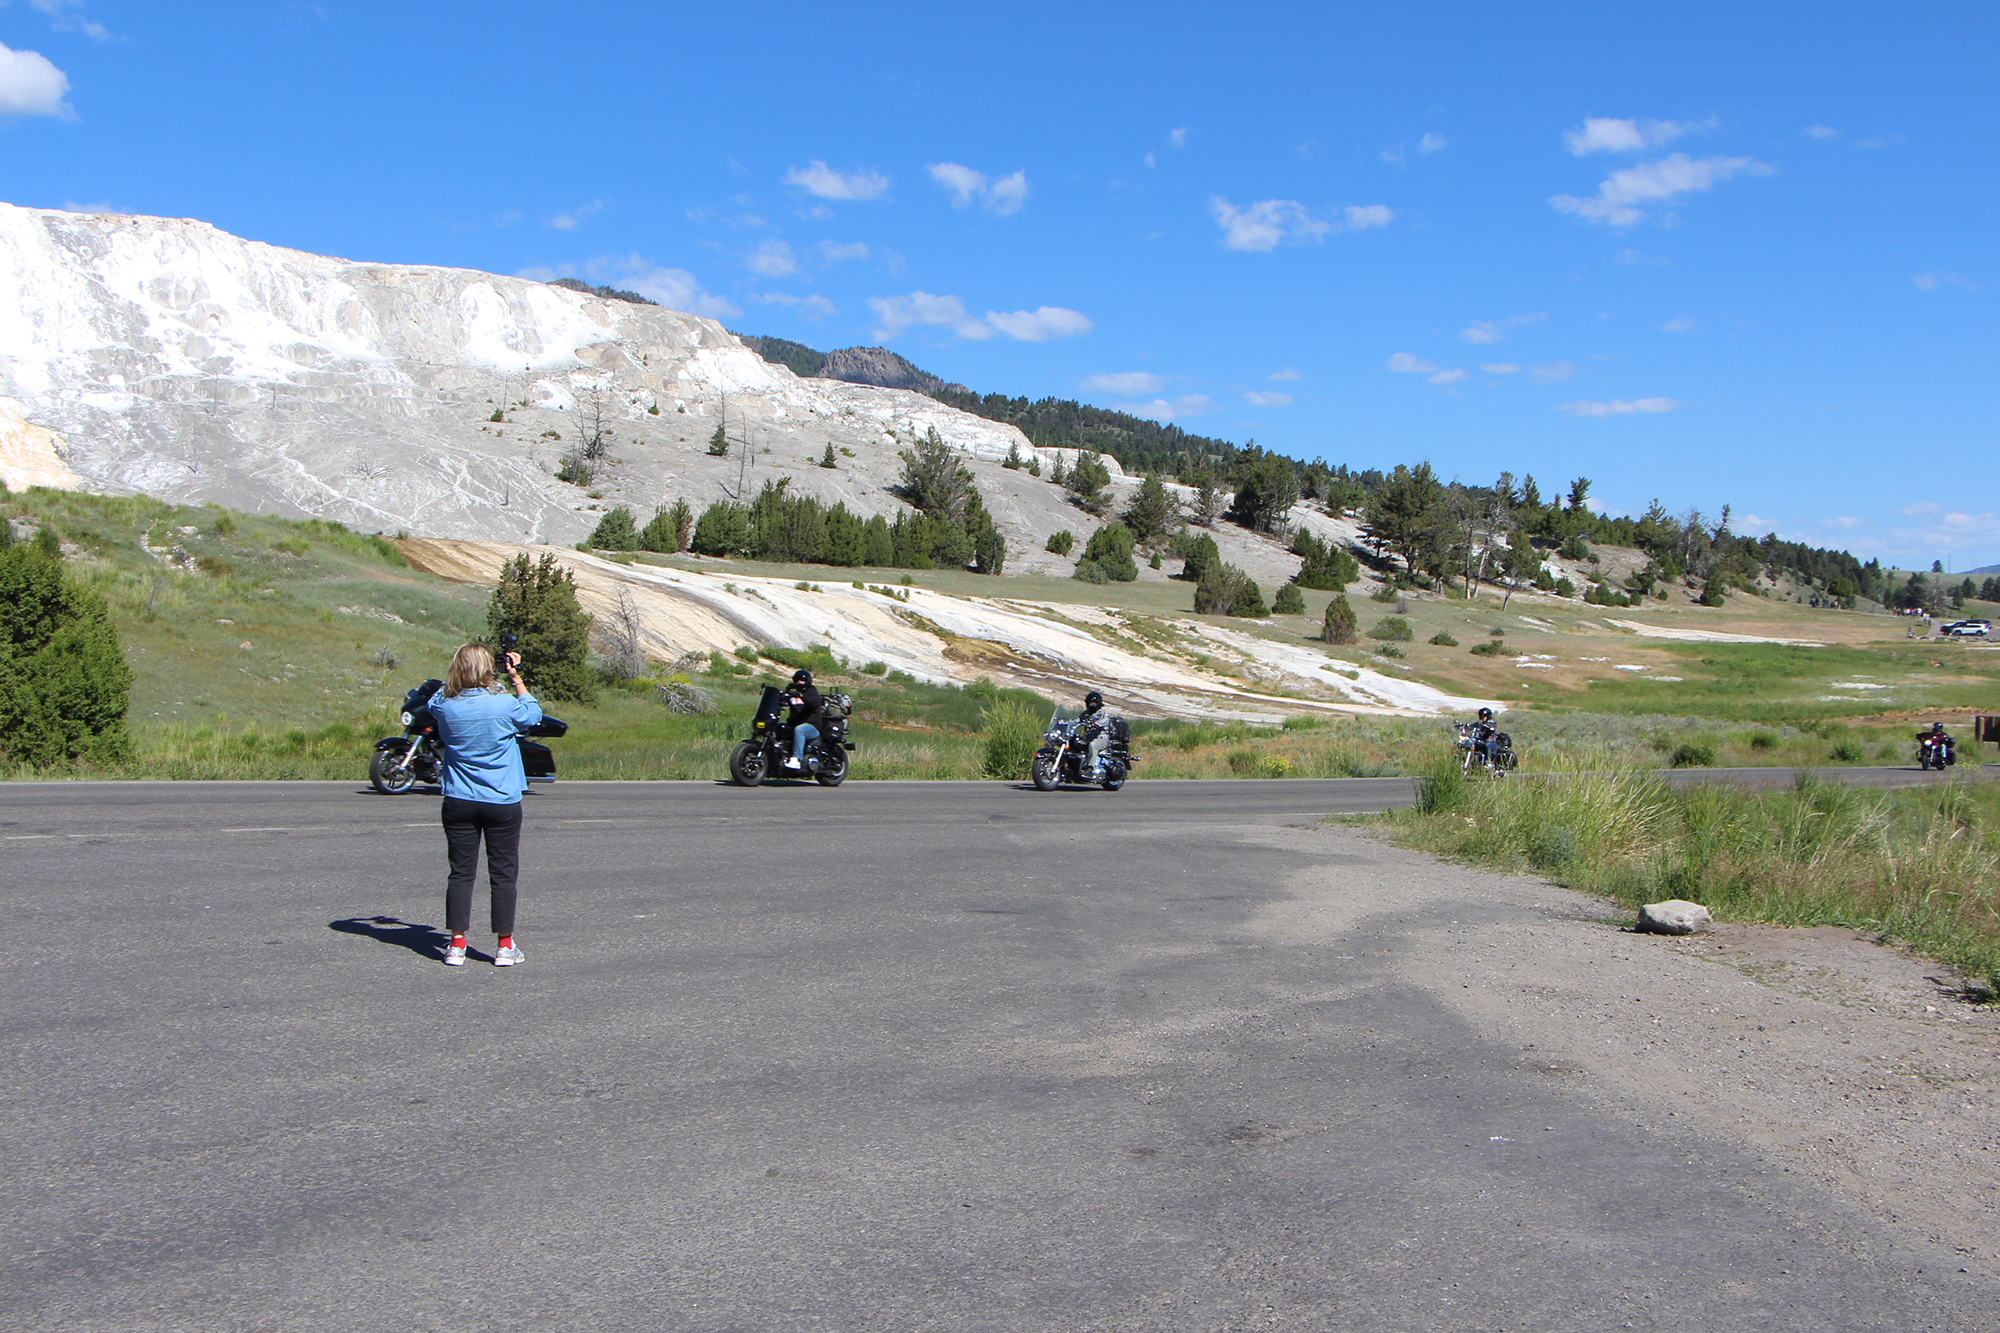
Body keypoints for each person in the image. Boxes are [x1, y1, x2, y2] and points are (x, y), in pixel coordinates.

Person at [429, 641, 542, 967]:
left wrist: (454, 678)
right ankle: (504, 946)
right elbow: (533, 715)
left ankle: (456, 944)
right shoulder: (503, 704)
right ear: (489, 669)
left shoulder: (447, 706)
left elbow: (434, 700)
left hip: (460, 799)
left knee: (460, 873)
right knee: (503, 873)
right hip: (501, 799)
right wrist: (516, 676)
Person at [782, 668, 823, 771]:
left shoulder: (812, 692)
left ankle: (796, 759)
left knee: (800, 730)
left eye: (802, 680)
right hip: (795, 724)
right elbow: (782, 700)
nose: (799, 682)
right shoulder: (793, 693)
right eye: (797, 680)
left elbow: (813, 703)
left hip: (812, 726)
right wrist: (783, 694)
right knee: (779, 727)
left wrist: (801, 696)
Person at [1078, 689, 1112, 777]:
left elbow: (1105, 720)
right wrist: (1067, 723)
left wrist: (1096, 724)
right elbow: (1078, 720)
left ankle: (1090, 768)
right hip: (1088, 737)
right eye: (1090, 702)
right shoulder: (1086, 713)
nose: (1092, 705)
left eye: (1094, 703)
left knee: (1093, 745)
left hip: (1101, 738)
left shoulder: (1103, 713)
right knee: (1074, 743)